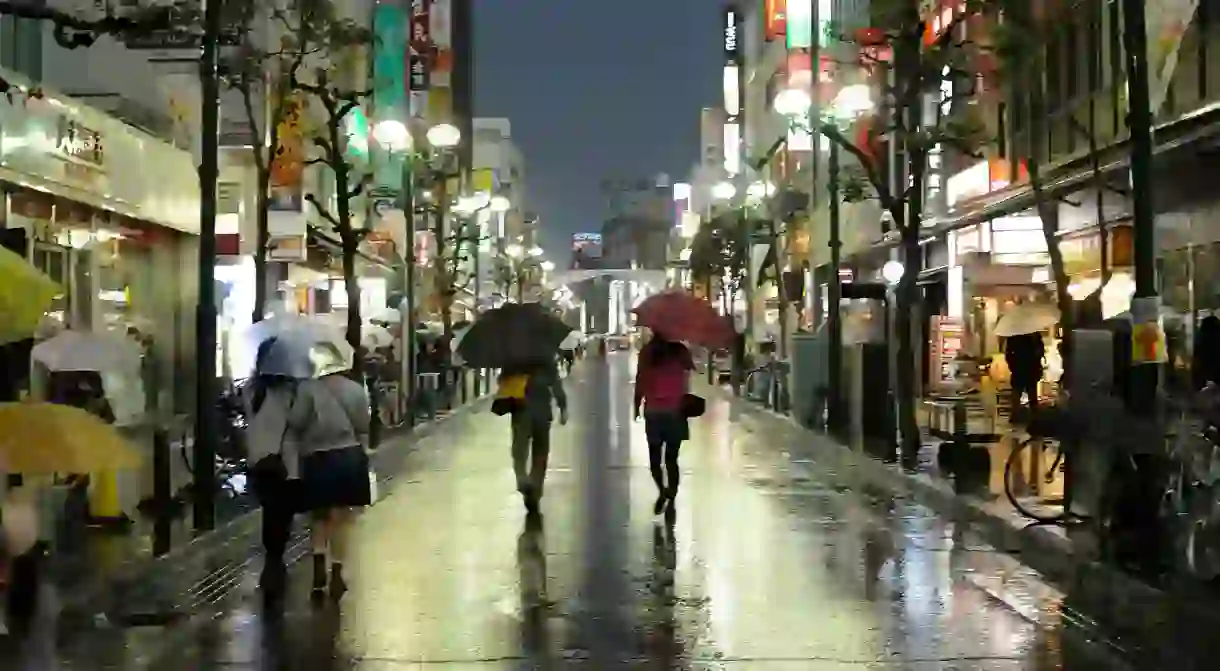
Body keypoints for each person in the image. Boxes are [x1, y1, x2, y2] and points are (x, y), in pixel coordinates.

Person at [634, 334, 694, 515]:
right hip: (676, 412)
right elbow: (688, 374)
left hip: (654, 412)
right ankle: (672, 494)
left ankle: (662, 490)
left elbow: (640, 382)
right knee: (671, 458)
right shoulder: (680, 352)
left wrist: (635, 406)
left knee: (655, 459)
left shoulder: (647, 353)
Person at [509, 360, 568, 515]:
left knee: (519, 449)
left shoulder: (514, 355)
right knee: (540, 452)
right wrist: (562, 406)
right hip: (542, 409)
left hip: (520, 409)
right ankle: (535, 488)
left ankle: (522, 477)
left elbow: (504, 380)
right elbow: (555, 382)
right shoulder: (545, 355)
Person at [1004, 331, 1045, 419]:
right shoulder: (1034, 335)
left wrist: (1012, 365)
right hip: (1026, 368)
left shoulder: (1014, 336)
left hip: (1023, 368)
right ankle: (1032, 415)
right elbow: (1040, 351)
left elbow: (1008, 354)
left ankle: (1018, 415)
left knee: (1022, 392)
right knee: (1027, 392)